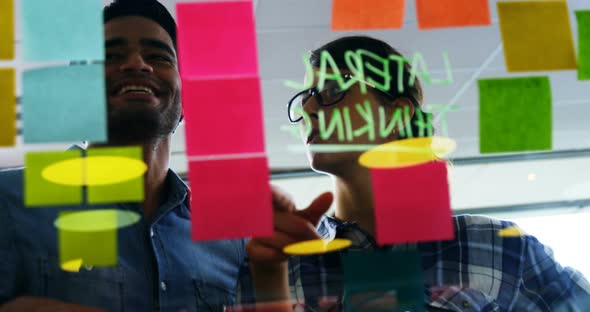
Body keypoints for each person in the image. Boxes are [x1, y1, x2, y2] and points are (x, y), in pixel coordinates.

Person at [235, 36, 590, 311]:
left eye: (333, 90)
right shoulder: (283, 261)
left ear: (397, 114)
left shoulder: (495, 248)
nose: (310, 107)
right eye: (306, 98)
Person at [0, 1, 246, 311]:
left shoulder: (229, 238)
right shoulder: (9, 201)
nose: (136, 64)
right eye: (110, 56)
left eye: (158, 56)